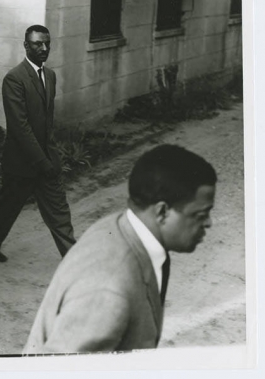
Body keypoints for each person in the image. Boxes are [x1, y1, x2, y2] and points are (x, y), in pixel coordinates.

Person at [23, 144, 216, 354]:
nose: (209, 223)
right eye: (200, 215)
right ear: (161, 212)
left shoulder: (124, 226)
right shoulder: (109, 287)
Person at [0, 25, 76, 262]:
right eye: (37, 44)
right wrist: (42, 161)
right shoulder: (15, 78)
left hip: (45, 159)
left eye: (46, 43)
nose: (43, 48)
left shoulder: (50, 75)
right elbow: (20, 127)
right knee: (7, 206)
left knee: (59, 212)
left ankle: (75, 259)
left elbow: (46, 123)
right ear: (25, 45)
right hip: (21, 161)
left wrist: (50, 157)